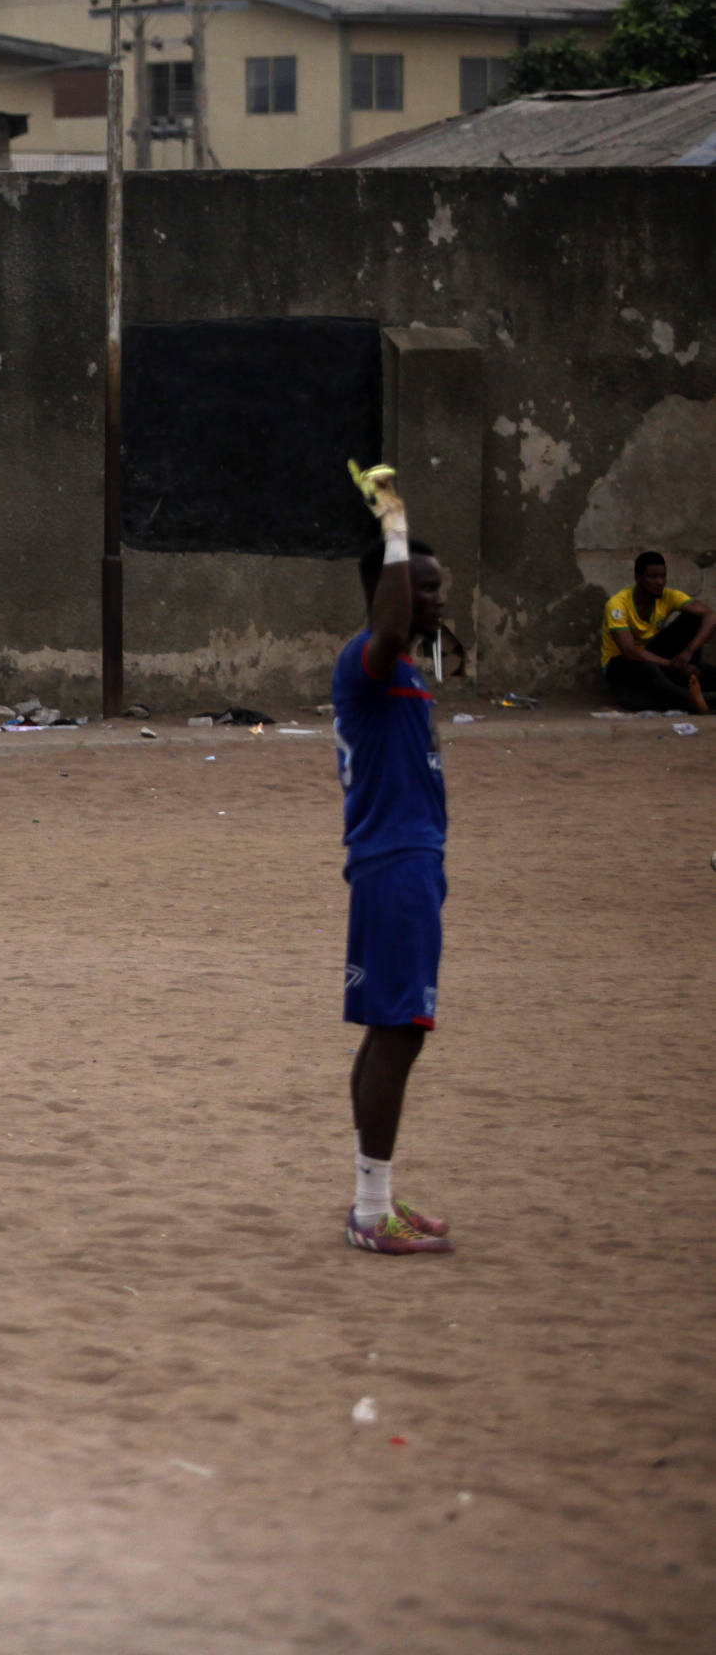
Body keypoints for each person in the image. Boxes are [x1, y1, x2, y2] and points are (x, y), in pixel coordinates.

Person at [331, 461, 454, 1256]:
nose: (439, 599)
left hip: (408, 863)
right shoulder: (368, 661)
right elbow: (386, 627)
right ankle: (371, 1215)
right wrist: (394, 526)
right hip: (394, 864)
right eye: (425, 587)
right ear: (393, 590)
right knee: (400, 1031)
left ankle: (372, 1201)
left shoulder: (405, 672)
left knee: (390, 1029)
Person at [600, 550, 713, 713]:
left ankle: (689, 690)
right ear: (638, 578)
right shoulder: (617, 604)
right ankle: (694, 699)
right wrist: (671, 665)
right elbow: (629, 651)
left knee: (694, 618)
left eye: (663, 576)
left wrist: (688, 652)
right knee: (650, 670)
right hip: (621, 663)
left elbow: (711, 616)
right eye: (653, 577)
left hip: (653, 657)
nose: (660, 582)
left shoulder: (668, 596)